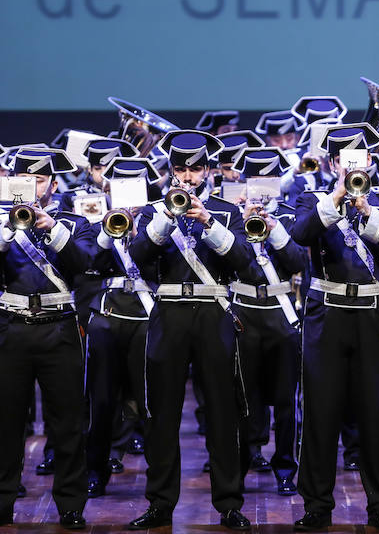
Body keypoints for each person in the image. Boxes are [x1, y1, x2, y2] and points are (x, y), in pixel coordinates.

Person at [126, 130, 259, 530]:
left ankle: (229, 503)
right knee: (162, 413)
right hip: (169, 311)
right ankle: (161, 503)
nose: (188, 177)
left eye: (195, 169)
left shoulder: (225, 210)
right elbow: (137, 259)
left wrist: (207, 219)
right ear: (171, 172)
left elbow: (245, 263)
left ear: (208, 170)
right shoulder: (153, 211)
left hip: (213, 310)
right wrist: (168, 217)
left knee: (222, 410)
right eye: (181, 169)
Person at [290, 123, 379, 532]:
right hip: (326, 314)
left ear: (371, 162)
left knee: (376, 413)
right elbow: (300, 236)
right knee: (321, 413)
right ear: (333, 162)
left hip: (372, 313)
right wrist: (339, 195)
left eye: (358, 160)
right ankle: (317, 505)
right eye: (344, 160)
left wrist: (365, 209)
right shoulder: (312, 198)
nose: (351, 166)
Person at [0, 147, 92, 529]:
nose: (34, 187)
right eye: (26, 179)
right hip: (12, 327)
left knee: (68, 422)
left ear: (53, 184)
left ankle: (71, 504)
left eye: (40, 179)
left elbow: (86, 265)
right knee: (5, 423)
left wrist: (51, 228)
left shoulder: (74, 219)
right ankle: (3, 502)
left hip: (59, 326)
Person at [84, 157, 164, 499]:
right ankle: (95, 472)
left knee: (151, 403)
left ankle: (158, 480)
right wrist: (108, 227)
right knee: (101, 401)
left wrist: (139, 226)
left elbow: (160, 262)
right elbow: (87, 263)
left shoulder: (159, 217)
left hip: (147, 316)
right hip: (108, 315)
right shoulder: (93, 214)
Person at [229, 147, 306, 495]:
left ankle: (286, 467)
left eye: (268, 180)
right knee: (245, 396)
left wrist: (273, 228)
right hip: (244, 312)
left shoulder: (289, 215)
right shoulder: (231, 217)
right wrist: (244, 222)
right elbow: (233, 263)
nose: (262, 188)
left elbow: (297, 262)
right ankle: (243, 461)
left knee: (286, 400)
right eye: (255, 180)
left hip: (280, 313)